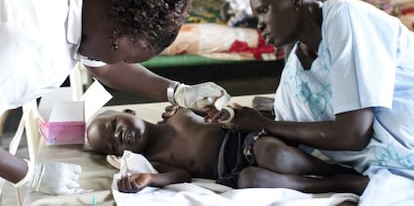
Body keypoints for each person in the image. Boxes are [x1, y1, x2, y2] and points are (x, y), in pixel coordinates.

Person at [0, 0, 229, 195]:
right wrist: (28, 173)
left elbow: (106, 64)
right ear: (119, 39)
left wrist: (177, 92)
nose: (122, 63)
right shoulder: (23, 51)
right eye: (126, 58)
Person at [222, 0, 414, 201]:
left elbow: (354, 134)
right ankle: (345, 178)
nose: (259, 24)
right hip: (368, 162)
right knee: (268, 153)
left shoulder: (345, 15)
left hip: (405, 145)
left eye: (263, 10)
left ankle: (338, 181)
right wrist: (229, 118)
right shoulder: (295, 66)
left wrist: (263, 123)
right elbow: (291, 130)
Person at [86, 106, 368, 195]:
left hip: (246, 143)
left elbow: (218, 108)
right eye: (114, 144)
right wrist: (150, 179)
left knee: (276, 155)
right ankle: (330, 185)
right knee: (252, 182)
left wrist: (213, 109)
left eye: (114, 125)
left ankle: (330, 170)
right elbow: (182, 175)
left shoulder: (178, 113)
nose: (119, 135)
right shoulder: (154, 159)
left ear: (128, 111)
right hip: (232, 171)